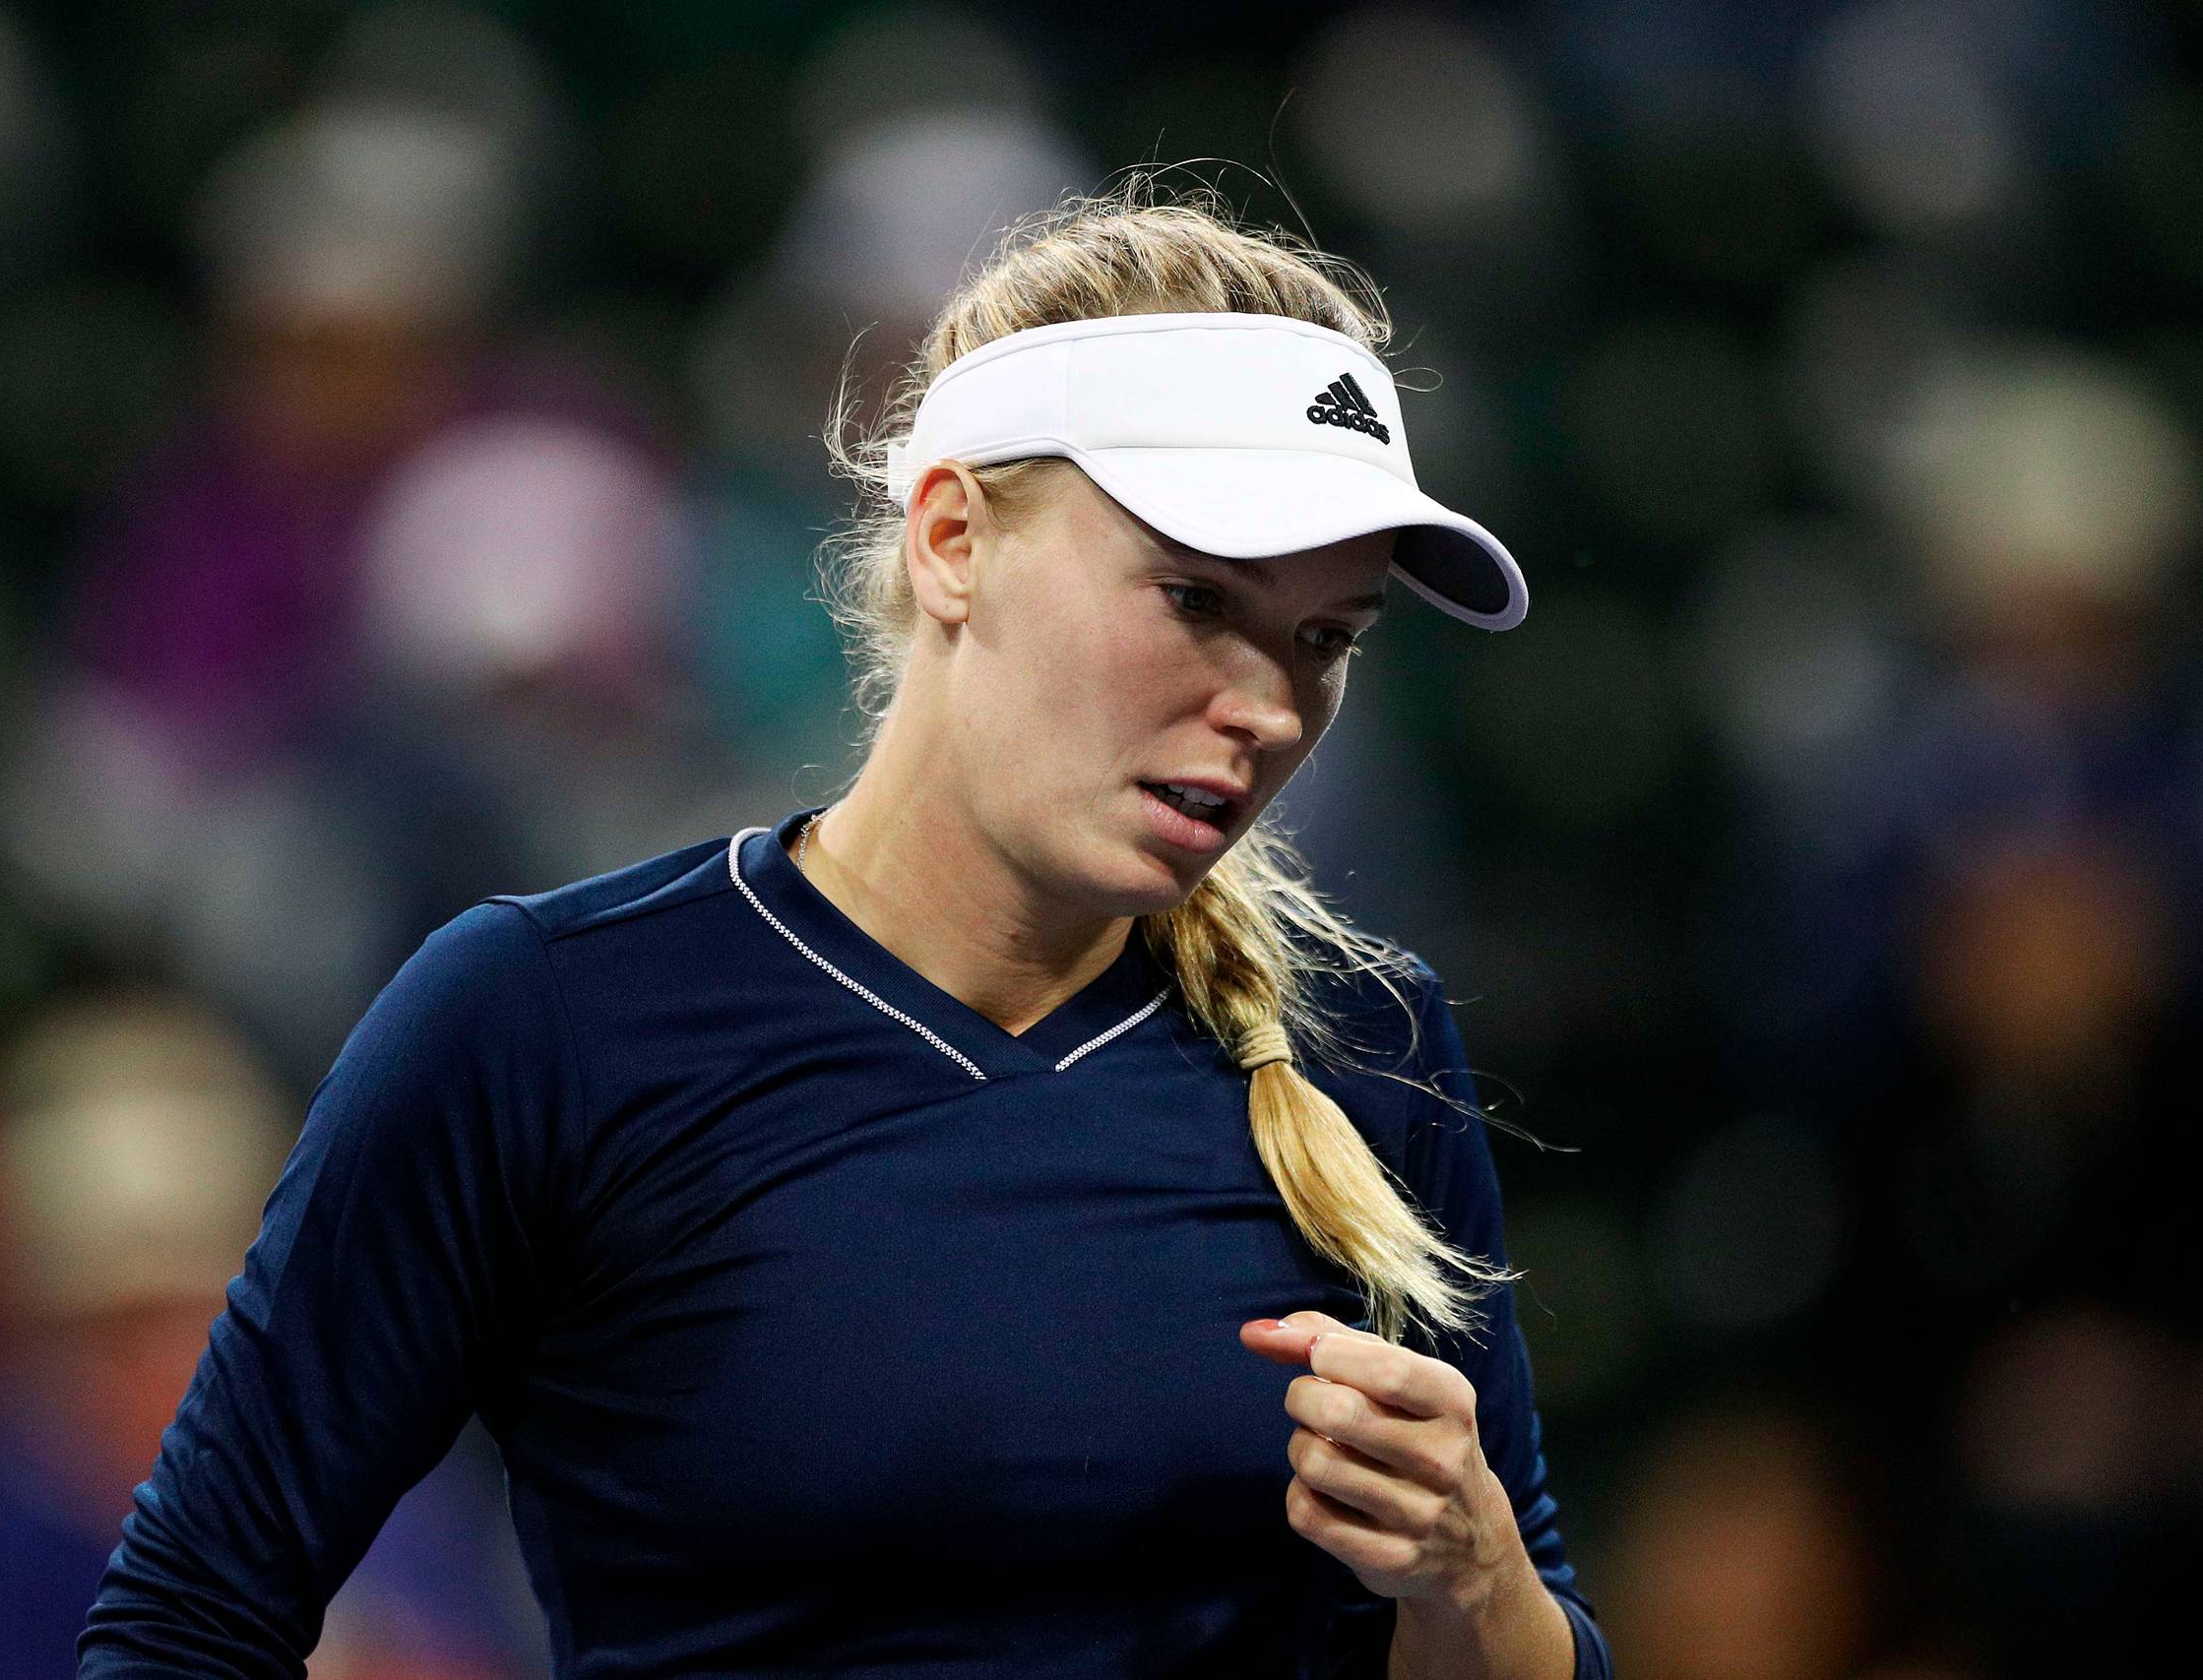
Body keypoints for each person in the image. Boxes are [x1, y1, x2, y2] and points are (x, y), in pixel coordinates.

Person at [78, 184, 1611, 1679]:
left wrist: (1474, 1586)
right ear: (952, 539)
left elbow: (1525, 1625)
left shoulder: (1366, 1043)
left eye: (1324, 637)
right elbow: (193, 1616)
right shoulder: (544, 1019)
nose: (1270, 707)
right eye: (1198, 598)